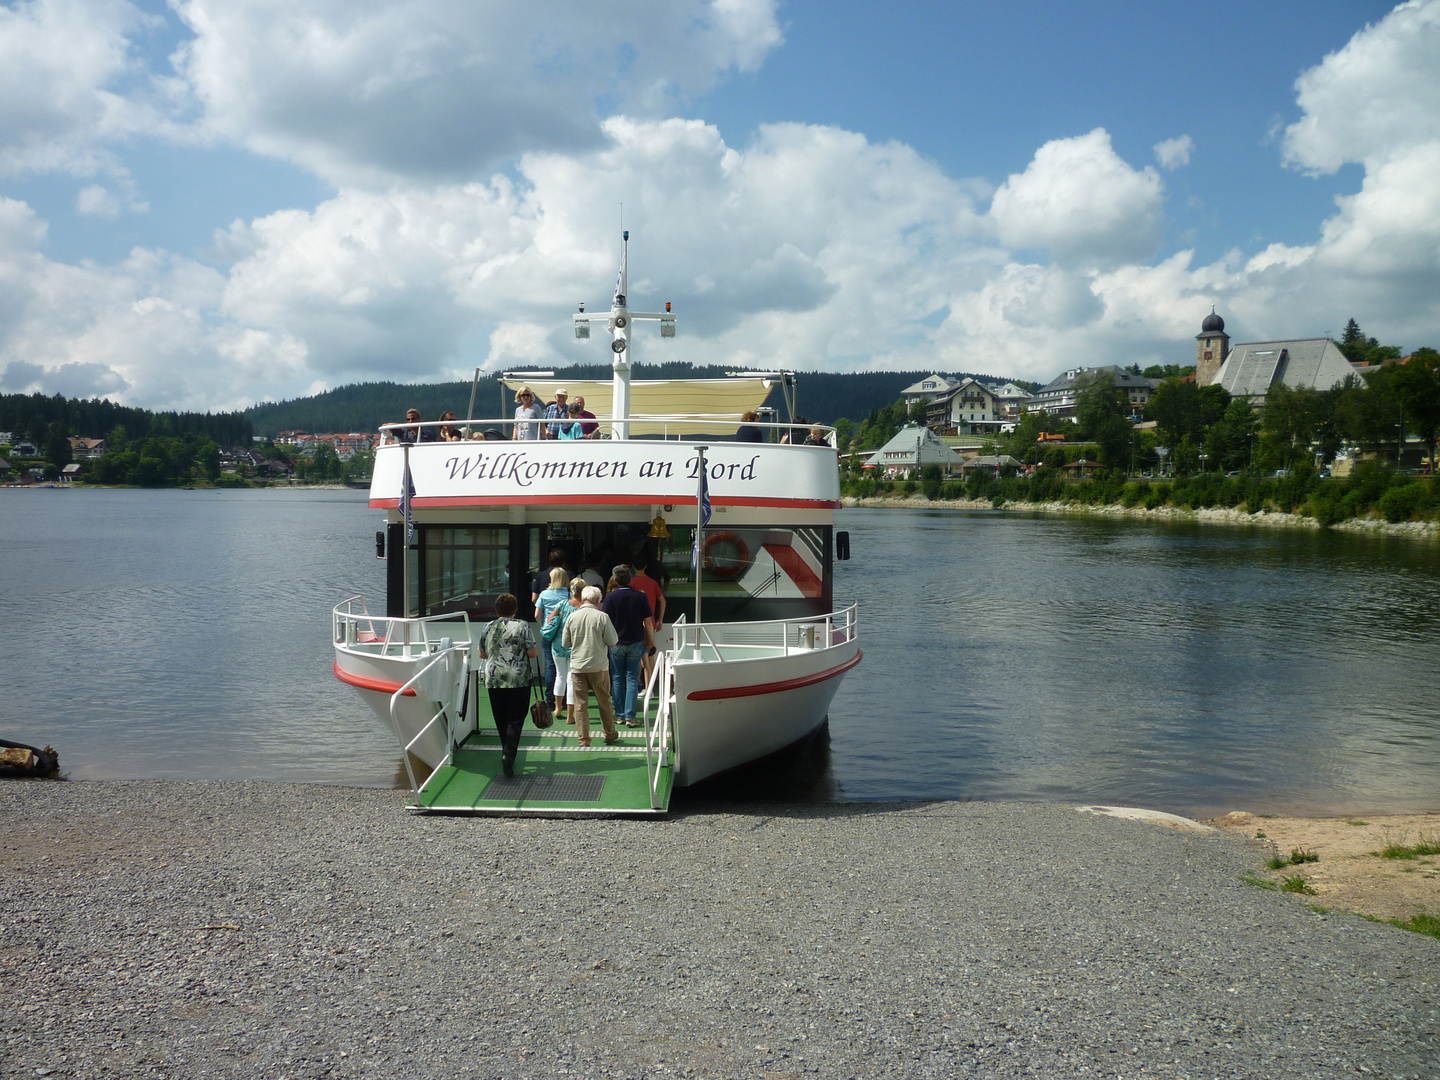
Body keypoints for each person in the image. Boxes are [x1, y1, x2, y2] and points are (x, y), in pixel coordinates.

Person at [476, 593, 538, 777]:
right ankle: (508, 755)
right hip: (518, 679)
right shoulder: (522, 625)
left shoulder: (487, 627)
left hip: (494, 677)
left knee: (500, 718)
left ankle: (506, 751)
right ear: (515, 610)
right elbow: (533, 652)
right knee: (516, 719)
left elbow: (482, 654)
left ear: (496, 610)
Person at [561, 586, 620, 746]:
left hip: (578, 667)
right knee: (604, 702)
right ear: (597, 600)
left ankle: (583, 739)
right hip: (599, 667)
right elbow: (613, 641)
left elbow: (565, 643)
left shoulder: (572, 617)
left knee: (580, 704)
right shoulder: (602, 617)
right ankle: (609, 733)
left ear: (582, 599)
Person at [602, 564, 654, 727]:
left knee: (617, 678)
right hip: (635, 641)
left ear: (615, 580)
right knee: (632, 678)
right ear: (629, 578)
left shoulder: (610, 598)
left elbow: (605, 621)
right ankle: (631, 716)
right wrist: (651, 641)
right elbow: (648, 621)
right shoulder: (639, 597)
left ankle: (619, 715)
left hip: (616, 643)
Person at [541, 579, 583, 725]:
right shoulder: (583, 608)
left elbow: (550, 619)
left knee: (560, 676)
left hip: (558, 645)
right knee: (572, 681)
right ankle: (570, 716)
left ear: (571, 590)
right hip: (576, 648)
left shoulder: (562, 604)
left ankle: (558, 709)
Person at [534, 566, 571, 717]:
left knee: (550, 667)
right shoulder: (568, 594)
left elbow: (537, 614)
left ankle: (550, 699)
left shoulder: (544, 594)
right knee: (567, 670)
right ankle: (566, 701)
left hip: (549, 634)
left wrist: (544, 626)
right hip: (565, 635)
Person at [631, 551, 667, 684]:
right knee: (649, 654)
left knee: (637, 655)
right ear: (646, 566)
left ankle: (641, 683)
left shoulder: (630, 582)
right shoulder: (652, 582)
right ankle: (649, 683)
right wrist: (660, 619)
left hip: (634, 623)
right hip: (650, 622)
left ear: (633, 566)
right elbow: (663, 600)